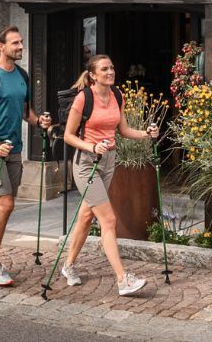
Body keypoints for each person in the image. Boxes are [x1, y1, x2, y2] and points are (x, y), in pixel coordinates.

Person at [58, 54, 158, 297]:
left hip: (109, 161)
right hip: (86, 163)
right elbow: (68, 136)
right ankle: (123, 279)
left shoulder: (117, 96)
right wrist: (92, 147)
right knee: (109, 220)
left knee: (85, 217)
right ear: (93, 75)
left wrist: (147, 133)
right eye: (104, 69)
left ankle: (68, 265)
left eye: (112, 67)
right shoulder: (84, 98)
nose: (110, 72)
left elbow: (122, 130)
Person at [0, 25, 53, 287]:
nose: (20, 47)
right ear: (1, 46)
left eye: (21, 43)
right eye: (15, 43)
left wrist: (39, 121)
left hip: (14, 148)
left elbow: (25, 113)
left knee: (4, 205)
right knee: (5, 204)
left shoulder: (22, 76)